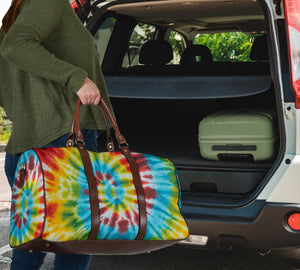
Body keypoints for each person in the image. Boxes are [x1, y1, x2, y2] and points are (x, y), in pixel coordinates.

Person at [0, 0, 113, 269]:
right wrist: (77, 78)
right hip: (65, 142)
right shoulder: (47, 2)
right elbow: (16, 46)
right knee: (75, 241)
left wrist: (27, 115)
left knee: (31, 246)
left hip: (28, 146)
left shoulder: (12, 18)